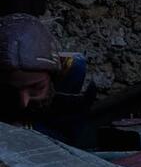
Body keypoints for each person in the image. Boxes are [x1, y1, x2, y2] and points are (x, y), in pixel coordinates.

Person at [0, 13, 93, 142]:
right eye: (11, 91)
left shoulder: (70, 85)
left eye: (37, 88)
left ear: (52, 78)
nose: (24, 102)